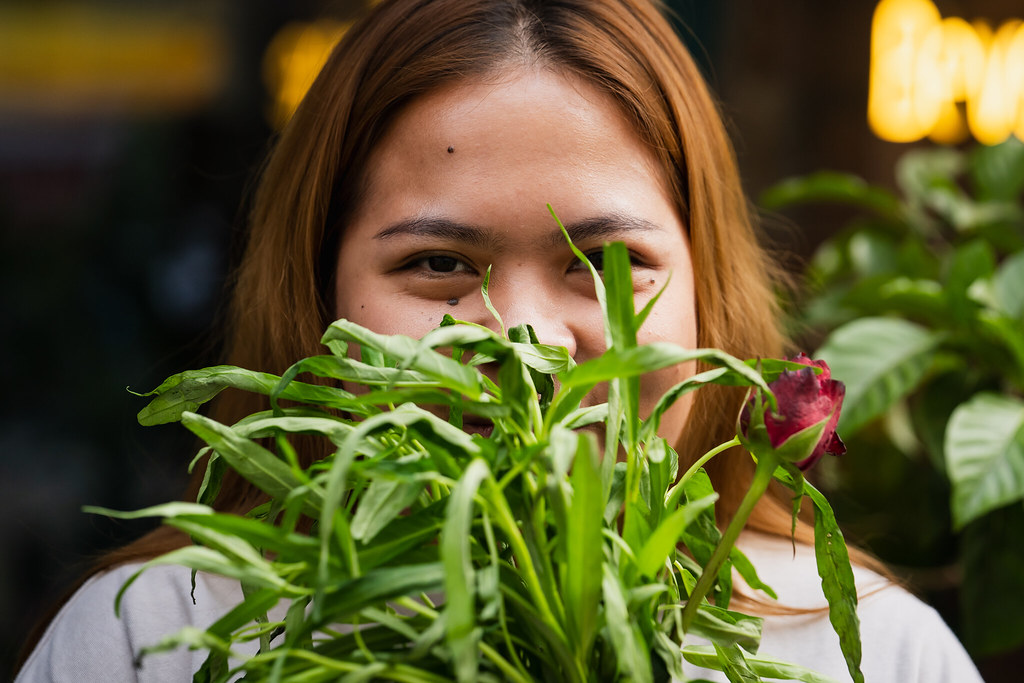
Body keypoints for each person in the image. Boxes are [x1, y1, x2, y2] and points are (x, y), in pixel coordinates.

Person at [15, 0, 983, 681]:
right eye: (438, 263)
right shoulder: (150, 641)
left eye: (605, 263)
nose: (525, 340)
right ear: (317, 300)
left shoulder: (884, 656)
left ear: (707, 299)